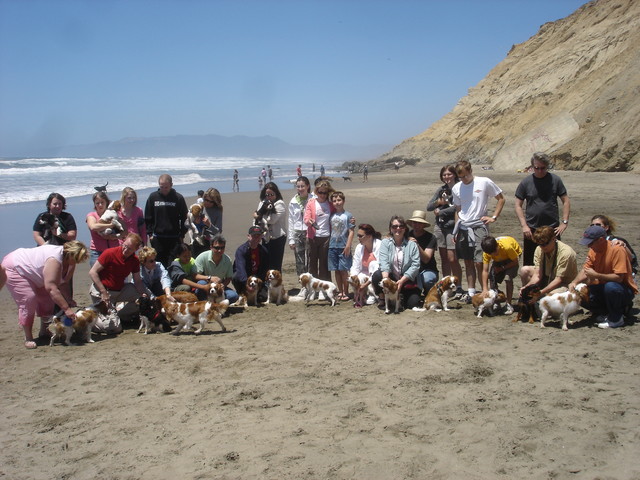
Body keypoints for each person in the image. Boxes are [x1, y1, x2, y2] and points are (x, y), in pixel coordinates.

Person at [1, 240, 88, 349]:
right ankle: (28, 337)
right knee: (29, 299)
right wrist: (66, 309)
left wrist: (68, 299)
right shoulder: (54, 260)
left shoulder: (70, 262)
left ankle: (44, 331)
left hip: (37, 274)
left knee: (47, 301)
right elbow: (51, 287)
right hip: (16, 267)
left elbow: (63, 282)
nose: (77, 262)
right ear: (69, 253)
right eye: (76, 258)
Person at [452, 160, 505, 301]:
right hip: (463, 226)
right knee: (468, 260)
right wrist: (455, 230)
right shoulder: (457, 188)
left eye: (465, 176)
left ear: (470, 171)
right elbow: (458, 209)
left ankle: (485, 290)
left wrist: (493, 217)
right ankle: (471, 291)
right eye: (460, 177)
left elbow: (500, 198)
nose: (463, 179)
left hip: (479, 225)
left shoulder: (484, 182)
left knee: (480, 261)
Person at [569, 225, 637, 329]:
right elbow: (586, 270)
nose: (588, 246)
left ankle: (616, 319)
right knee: (579, 295)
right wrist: (574, 282)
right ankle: (607, 313)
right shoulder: (593, 250)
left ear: (601, 240)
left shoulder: (617, 250)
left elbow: (619, 278)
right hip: (603, 287)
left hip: (622, 289)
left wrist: (596, 275)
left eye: (591, 243)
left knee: (611, 287)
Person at [515, 152, 570, 266]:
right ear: (532, 167)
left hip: (552, 229)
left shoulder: (555, 180)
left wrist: (564, 222)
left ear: (547, 166)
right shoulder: (526, 182)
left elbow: (565, 201)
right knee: (530, 264)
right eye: (537, 168)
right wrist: (524, 225)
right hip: (532, 230)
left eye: (543, 168)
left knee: (554, 263)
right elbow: (518, 205)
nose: (540, 171)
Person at [88, 233, 147, 332]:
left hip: (120, 290)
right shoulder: (109, 253)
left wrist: (143, 294)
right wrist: (103, 292)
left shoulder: (134, 260)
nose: (125, 250)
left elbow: (137, 280)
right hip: (102, 290)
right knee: (115, 328)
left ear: (135, 250)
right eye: (125, 246)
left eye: (129, 249)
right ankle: (91, 320)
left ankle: (118, 315)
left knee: (143, 301)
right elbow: (92, 272)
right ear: (123, 242)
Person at [371, 216, 421, 310]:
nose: (398, 228)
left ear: (405, 229)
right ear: (390, 229)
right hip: (391, 278)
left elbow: (415, 265)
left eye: (401, 226)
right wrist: (386, 281)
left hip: (406, 279)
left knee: (412, 304)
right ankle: (383, 298)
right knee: (377, 275)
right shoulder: (385, 243)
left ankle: (400, 297)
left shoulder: (412, 245)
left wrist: (401, 281)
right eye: (395, 226)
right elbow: (384, 263)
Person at [426, 165, 463, 283]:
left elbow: (458, 208)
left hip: (453, 227)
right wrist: (438, 202)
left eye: (449, 174)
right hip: (440, 227)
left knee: (452, 258)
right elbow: (429, 207)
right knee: (444, 259)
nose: (447, 177)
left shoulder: (460, 188)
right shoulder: (441, 190)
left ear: (455, 175)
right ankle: (446, 284)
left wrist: (441, 211)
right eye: (444, 175)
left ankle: (457, 285)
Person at [519, 226, 578, 295]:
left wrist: (541, 292)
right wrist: (527, 287)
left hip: (564, 283)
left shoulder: (566, 253)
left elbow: (559, 279)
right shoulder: (539, 249)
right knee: (525, 270)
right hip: (547, 277)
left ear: (554, 239)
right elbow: (538, 274)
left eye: (545, 244)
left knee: (551, 296)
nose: (543, 247)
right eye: (540, 244)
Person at [144, 174, 188, 267]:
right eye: (161, 187)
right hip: (158, 238)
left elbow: (185, 217)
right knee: (159, 264)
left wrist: (182, 234)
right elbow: (148, 216)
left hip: (174, 237)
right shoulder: (153, 197)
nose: (164, 189)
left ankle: (173, 281)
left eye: (166, 187)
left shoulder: (178, 198)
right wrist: (150, 234)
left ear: (171, 185)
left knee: (172, 263)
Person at [480, 236, 522, 314]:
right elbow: (485, 270)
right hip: (499, 259)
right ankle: (496, 302)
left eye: (495, 251)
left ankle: (508, 304)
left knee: (507, 278)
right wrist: (485, 288)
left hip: (512, 258)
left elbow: (515, 261)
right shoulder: (487, 253)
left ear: (497, 246)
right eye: (491, 253)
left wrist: (502, 268)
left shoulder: (507, 247)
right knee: (492, 276)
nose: (495, 254)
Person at [194, 234, 238, 303]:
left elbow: (228, 278)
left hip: (219, 287)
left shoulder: (227, 260)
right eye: (217, 248)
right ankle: (205, 304)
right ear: (211, 247)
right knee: (201, 283)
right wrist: (209, 278)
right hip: (206, 285)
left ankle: (217, 303)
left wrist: (223, 285)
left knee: (234, 295)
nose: (220, 250)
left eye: (222, 248)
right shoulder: (202, 257)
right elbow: (195, 275)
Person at [304, 180, 334, 281]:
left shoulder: (330, 205)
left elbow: (338, 214)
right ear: (316, 192)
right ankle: (313, 286)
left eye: (325, 193)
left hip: (326, 237)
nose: (322, 195)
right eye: (320, 192)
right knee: (312, 263)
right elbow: (306, 218)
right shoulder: (311, 203)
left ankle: (324, 286)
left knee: (324, 263)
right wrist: (309, 221)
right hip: (313, 236)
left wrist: (350, 219)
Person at [253, 182, 287, 272]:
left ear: (276, 194)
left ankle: (277, 285)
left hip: (277, 237)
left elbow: (271, 220)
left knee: (276, 265)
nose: (269, 197)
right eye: (267, 194)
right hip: (265, 237)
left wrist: (259, 215)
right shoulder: (262, 202)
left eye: (271, 194)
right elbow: (256, 219)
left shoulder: (280, 204)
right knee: (266, 263)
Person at [328, 191, 354, 301]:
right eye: (334, 201)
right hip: (332, 246)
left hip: (343, 246)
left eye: (339, 200)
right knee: (336, 270)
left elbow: (351, 231)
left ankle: (346, 291)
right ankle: (341, 291)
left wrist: (348, 246)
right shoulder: (331, 215)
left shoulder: (348, 215)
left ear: (343, 201)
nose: (337, 203)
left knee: (344, 270)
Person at [406, 210, 439, 296]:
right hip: (411, 269)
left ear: (424, 225)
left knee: (427, 280)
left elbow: (426, 259)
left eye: (419, 223)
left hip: (427, 269)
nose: (416, 225)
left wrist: (416, 245)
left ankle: (428, 293)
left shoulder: (431, 237)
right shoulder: (407, 235)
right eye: (414, 223)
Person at [232, 226, 269, 301]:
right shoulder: (241, 250)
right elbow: (240, 269)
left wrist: (259, 284)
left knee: (263, 298)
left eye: (258, 236)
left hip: (257, 279)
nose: (256, 238)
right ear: (248, 236)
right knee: (235, 276)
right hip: (245, 278)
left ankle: (257, 292)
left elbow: (265, 269)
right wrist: (246, 285)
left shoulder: (263, 250)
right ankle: (241, 292)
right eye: (254, 236)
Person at [350, 223, 382, 306]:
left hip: (376, 275)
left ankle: (373, 293)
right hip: (364, 273)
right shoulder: (359, 247)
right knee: (357, 276)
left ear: (369, 236)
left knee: (373, 263)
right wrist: (353, 277)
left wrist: (366, 283)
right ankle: (360, 295)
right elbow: (355, 266)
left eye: (361, 236)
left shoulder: (379, 245)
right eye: (358, 235)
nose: (358, 238)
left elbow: (380, 266)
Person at [86, 191, 120, 267]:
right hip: (97, 252)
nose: (100, 205)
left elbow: (124, 231)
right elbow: (93, 227)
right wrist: (111, 225)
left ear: (106, 203)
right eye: (97, 203)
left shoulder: (113, 214)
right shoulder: (92, 215)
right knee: (97, 276)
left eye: (102, 202)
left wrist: (115, 236)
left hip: (114, 250)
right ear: (94, 204)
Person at [288, 176, 310, 282]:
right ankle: (303, 283)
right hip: (297, 232)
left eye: (302, 186)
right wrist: (291, 239)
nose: (300, 188)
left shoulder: (313, 199)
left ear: (307, 186)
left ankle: (311, 282)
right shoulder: (293, 201)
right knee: (299, 260)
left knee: (310, 258)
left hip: (309, 231)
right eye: (298, 186)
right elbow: (291, 221)